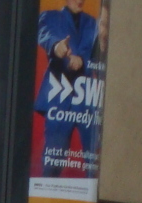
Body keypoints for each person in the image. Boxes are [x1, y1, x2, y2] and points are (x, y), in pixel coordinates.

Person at [35, 0, 99, 177]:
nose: (80, 0)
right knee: (52, 164)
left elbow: (97, 53)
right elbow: (45, 35)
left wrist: (83, 61)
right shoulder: (49, 17)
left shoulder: (93, 22)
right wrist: (57, 47)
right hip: (59, 99)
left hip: (86, 101)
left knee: (93, 165)